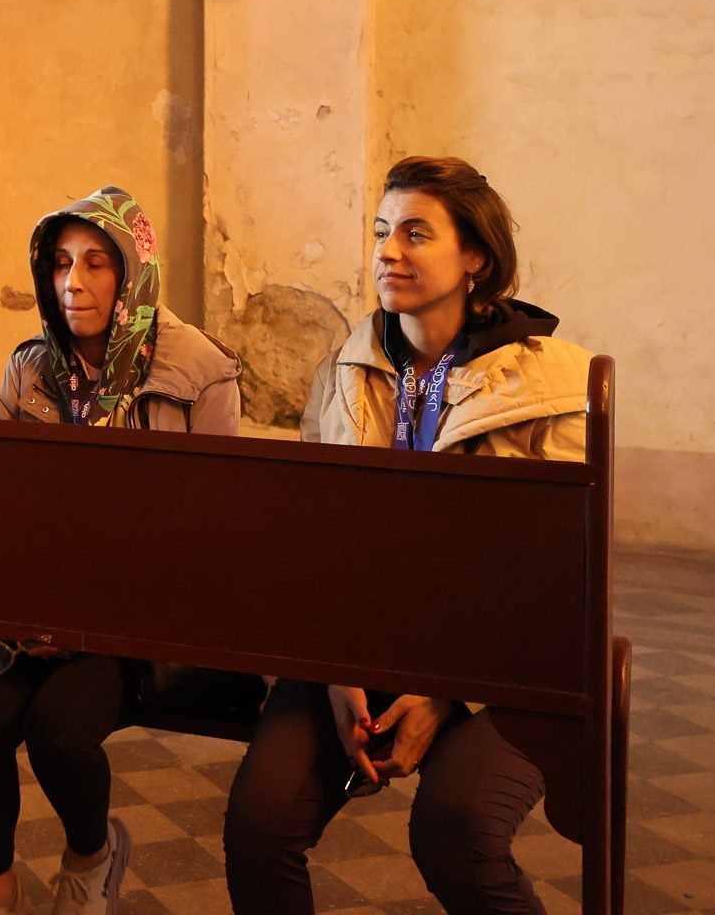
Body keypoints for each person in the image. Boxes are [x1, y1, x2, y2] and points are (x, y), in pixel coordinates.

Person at [222, 155, 594, 915]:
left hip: (500, 660)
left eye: (416, 233)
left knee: (454, 831)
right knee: (258, 824)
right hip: (360, 643)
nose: (388, 251)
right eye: (380, 232)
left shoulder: (554, 383)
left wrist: (445, 693)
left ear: (475, 257)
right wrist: (335, 671)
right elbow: (312, 543)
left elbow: (555, 576)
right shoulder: (343, 372)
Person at [0, 187, 244, 915]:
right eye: (60, 264)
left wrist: (91, 620)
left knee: (57, 730)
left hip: (140, 618)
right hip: (37, 603)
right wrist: (30, 607)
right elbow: (0, 506)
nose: (72, 283)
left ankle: (91, 856)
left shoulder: (200, 370)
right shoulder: (31, 367)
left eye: (94, 264)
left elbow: (209, 535)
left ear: (131, 273)